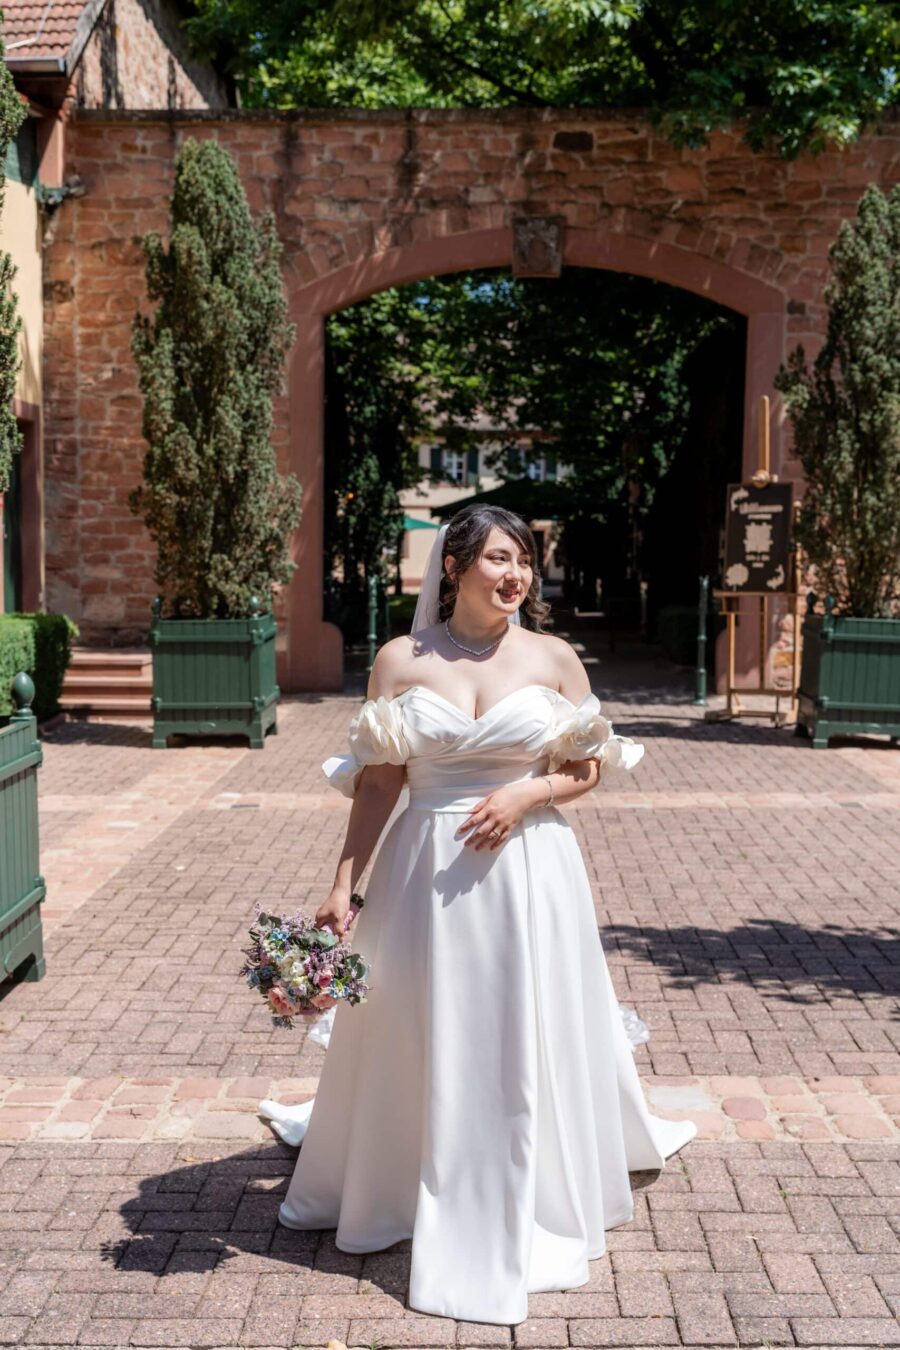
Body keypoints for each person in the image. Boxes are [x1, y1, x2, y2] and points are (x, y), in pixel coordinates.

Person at [264, 504, 697, 1326]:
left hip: (530, 869)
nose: (516, 576)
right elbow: (382, 779)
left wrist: (530, 790)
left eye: (525, 561)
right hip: (421, 872)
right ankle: (405, 1174)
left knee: (521, 1024)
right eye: (499, 559)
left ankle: (529, 1179)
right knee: (418, 1023)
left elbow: (591, 762)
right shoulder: (399, 661)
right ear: (454, 567)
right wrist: (342, 884)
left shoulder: (555, 656)